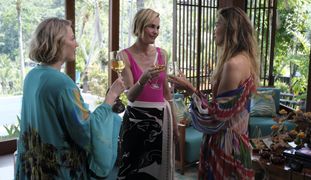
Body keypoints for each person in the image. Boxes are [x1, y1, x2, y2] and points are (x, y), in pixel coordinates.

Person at [15, 18, 125, 179]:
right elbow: (87, 131)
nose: (77, 44)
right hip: (59, 172)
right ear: (58, 42)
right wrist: (111, 97)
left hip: (35, 169)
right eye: (72, 38)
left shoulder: (32, 76)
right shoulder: (63, 84)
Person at [169, 7, 259, 180]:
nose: (214, 29)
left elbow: (216, 117)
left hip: (225, 146)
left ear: (230, 29)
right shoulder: (247, 60)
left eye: (218, 24)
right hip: (240, 142)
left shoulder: (232, 65)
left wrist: (191, 90)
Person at [117, 8, 178, 180]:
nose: (156, 32)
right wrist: (143, 79)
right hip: (136, 119)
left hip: (161, 119)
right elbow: (130, 96)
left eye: (158, 27)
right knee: (133, 169)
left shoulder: (162, 54)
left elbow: (166, 92)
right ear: (139, 26)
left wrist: (174, 120)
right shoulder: (124, 56)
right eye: (151, 27)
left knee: (157, 170)